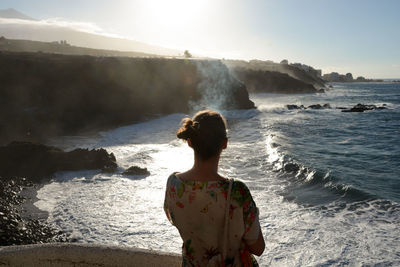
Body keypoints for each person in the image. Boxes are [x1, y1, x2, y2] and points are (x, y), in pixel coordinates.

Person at [164, 110, 265, 267]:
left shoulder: (173, 184)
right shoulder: (237, 191)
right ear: (224, 144)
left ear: (190, 141)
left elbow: (176, 219)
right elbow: (258, 248)